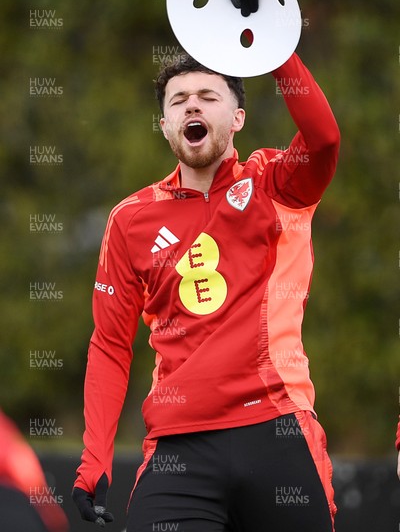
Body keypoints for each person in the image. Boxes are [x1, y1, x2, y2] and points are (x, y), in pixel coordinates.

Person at [72, 47, 340, 531]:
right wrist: (96, 458)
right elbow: (110, 346)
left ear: (237, 117)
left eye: (207, 96)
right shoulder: (130, 219)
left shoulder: (272, 181)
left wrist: (279, 51)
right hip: (180, 447)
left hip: (277, 429)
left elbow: (323, 140)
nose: (192, 106)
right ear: (164, 125)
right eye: (178, 101)